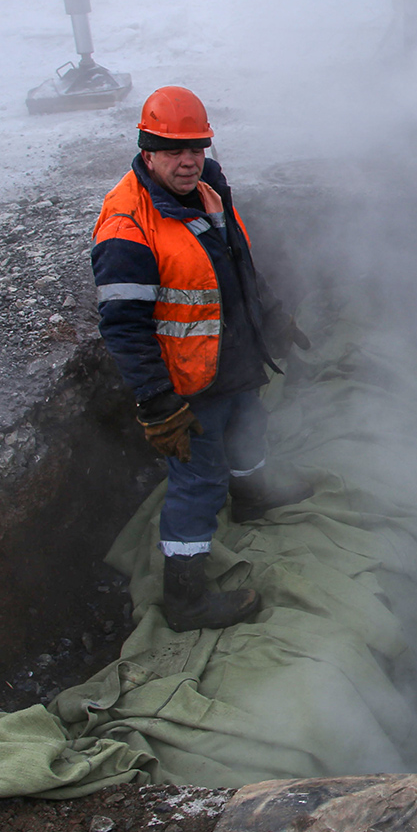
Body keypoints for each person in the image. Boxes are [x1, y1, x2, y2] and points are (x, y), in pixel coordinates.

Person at [91, 86, 312, 633]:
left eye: (197, 147)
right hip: (189, 382)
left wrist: (273, 315)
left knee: (249, 428)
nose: (189, 160)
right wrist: (158, 403)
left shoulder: (209, 189)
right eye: (174, 150)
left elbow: (236, 267)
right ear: (148, 152)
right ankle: (186, 597)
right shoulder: (127, 229)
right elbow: (123, 327)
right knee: (197, 484)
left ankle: (253, 497)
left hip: (230, 360)